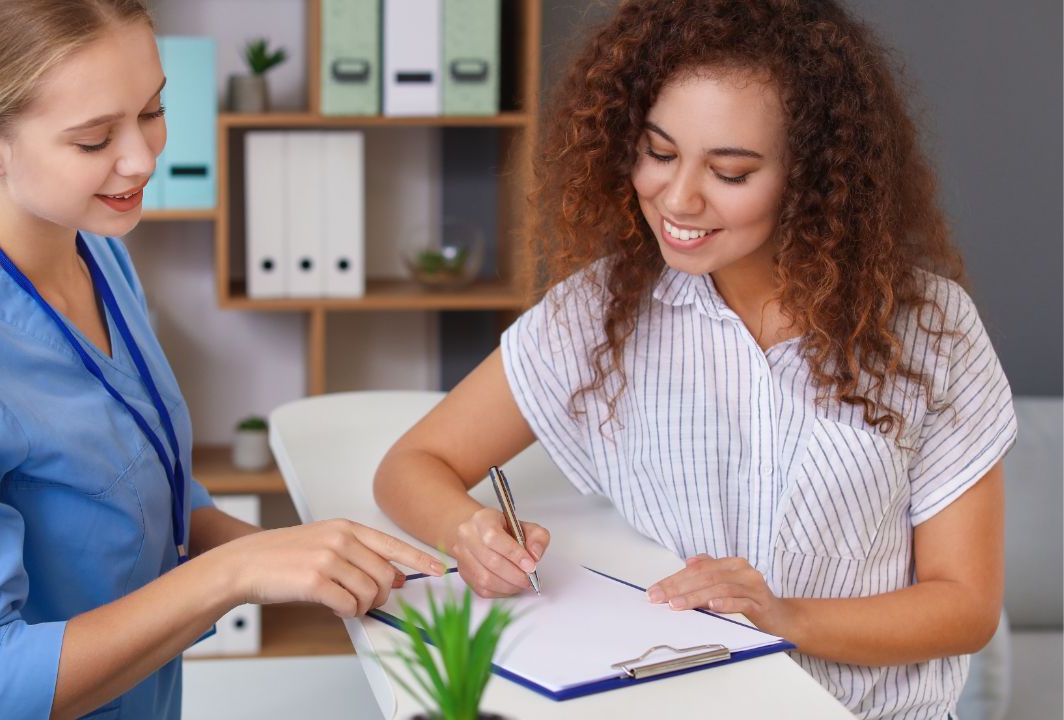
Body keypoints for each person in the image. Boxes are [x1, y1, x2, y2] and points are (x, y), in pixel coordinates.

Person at [373, 1, 1016, 718]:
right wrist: (469, 532)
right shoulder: (599, 312)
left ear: (813, 176)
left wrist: (784, 616)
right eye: (658, 151)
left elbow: (965, 607)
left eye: (731, 172)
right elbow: (412, 465)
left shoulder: (930, 328)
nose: (678, 198)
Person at [0, 1, 444, 718]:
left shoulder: (97, 253)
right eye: (94, 139)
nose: (144, 158)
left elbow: (151, 490)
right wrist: (235, 573)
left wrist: (305, 561)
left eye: (152, 110)